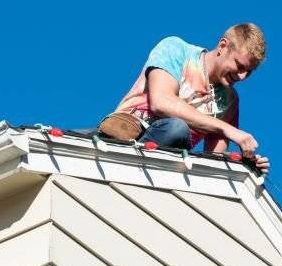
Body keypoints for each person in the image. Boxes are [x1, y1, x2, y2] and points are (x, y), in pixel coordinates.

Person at [115, 23, 269, 173]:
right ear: (223, 46)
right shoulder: (176, 50)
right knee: (177, 128)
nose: (242, 76)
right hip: (123, 137)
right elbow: (161, 102)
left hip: (168, 161)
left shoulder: (229, 101)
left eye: (249, 71)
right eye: (239, 66)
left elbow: (213, 159)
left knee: (179, 133)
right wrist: (227, 128)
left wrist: (243, 163)